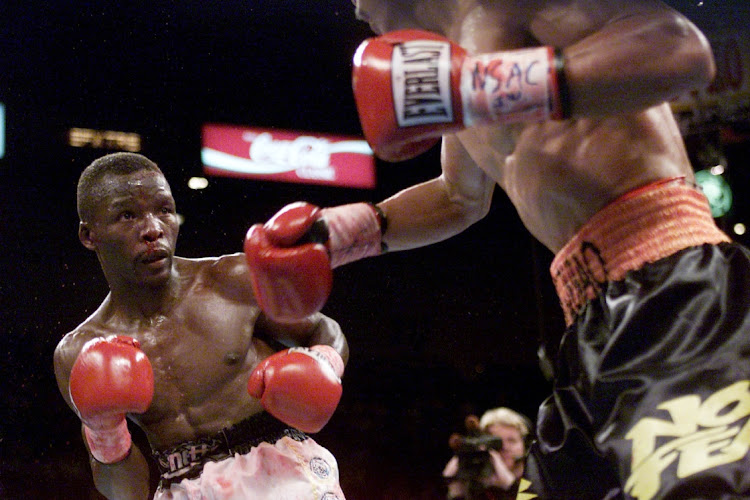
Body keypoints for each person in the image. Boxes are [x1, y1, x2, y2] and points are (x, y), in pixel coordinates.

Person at [245, 1, 750, 498]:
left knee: (705, 487)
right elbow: (459, 197)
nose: (353, 7)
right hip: (592, 324)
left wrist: (482, 87)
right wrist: (341, 233)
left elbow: (683, 50)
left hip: (675, 288)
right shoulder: (453, 59)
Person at [53, 152, 349, 500]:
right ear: (89, 235)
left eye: (163, 209)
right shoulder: (78, 353)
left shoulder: (232, 280)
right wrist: (105, 433)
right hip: (183, 487)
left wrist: (322, 363)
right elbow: (127, 493)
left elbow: (324, 329)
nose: (152, 229)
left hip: (284, 476)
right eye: (127, 215)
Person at [443, 408, 531, 500]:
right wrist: (456, 493)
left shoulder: (539, 482)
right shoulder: (479, 486)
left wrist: (511, 487)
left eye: (512, 440)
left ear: (525, 444)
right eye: (496, 442)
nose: (504, 447)